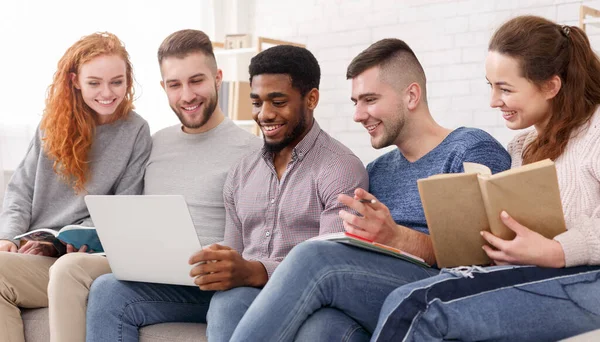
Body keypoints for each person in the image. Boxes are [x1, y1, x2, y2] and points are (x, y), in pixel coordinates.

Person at [229, 38, 512, 341]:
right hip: (383, 294)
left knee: (313, 257)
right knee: (321, 327)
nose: (358, 114)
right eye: (355, 102)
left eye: (370, 99)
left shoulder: (469, 149)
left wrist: (401, 238)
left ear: (411, 96)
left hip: (445, 293)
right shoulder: (376, 171)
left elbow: (495, 254)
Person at [85, 41, 368, 341]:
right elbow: (233, 252)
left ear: (311, 99)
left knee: (229, 302)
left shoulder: (339, 168)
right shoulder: (242, 172)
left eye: (278, 101)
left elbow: (329, 268)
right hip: (242, 289)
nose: (265, 114)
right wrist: (215, 265)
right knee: (107, 289)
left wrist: (253, 271)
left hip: (297, 295)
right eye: (257, 103)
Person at [366, 15, 600, 342]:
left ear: (551, 86)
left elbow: (556, 245)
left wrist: (558, 250)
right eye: (490, 86)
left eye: (505, 89)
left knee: (419, 307)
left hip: (589, 281)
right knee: (404, 299)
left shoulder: (596, 133)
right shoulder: (520, 148)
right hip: (536, 275)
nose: (493, 101)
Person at [0, 32, 152, 342]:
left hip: (83, 255)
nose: (107, 93)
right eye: (95, 82)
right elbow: (20, 190)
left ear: (128, 80)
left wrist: (57, 244)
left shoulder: (136, 130)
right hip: (33, 250)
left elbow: (124, 207)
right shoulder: (51, 125)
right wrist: (8, 237)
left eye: (117, 82)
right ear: (75, 80)